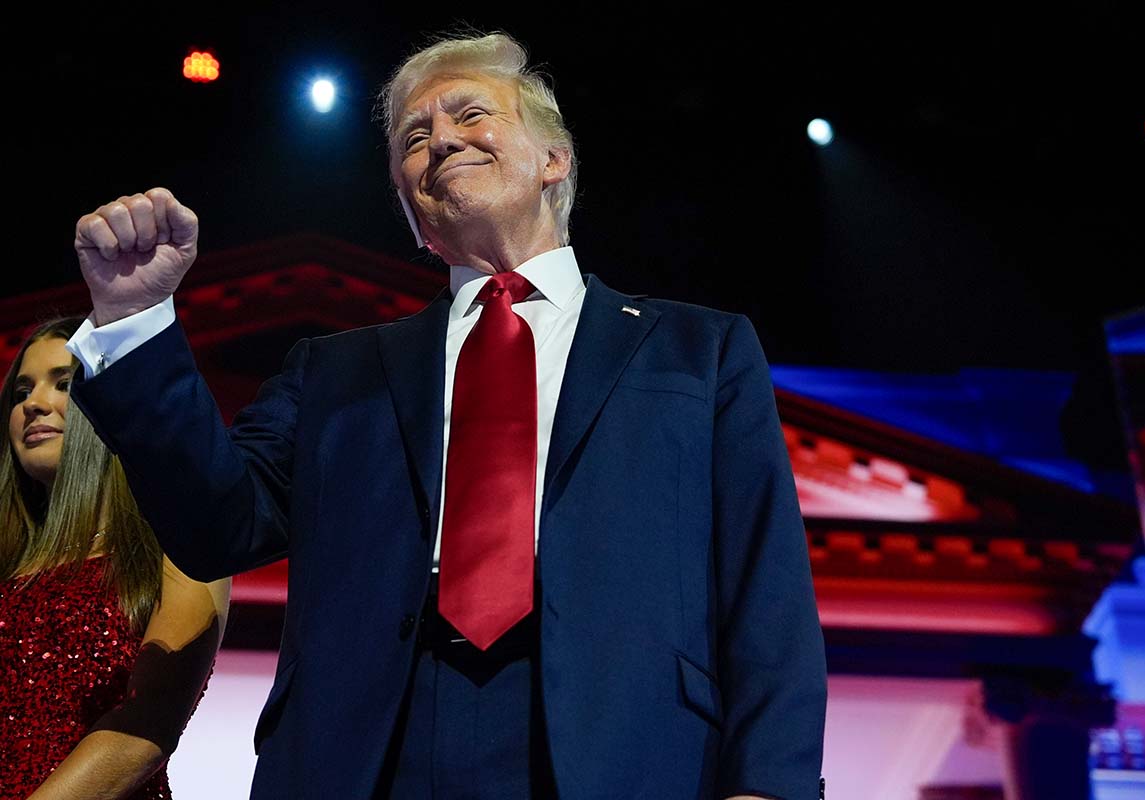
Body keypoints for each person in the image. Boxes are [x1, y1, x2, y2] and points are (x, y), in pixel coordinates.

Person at [65, 32, 826, 800]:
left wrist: (768, 785)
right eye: (414, 138)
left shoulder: (699, 351)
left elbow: (767, 591)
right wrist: (136, 321)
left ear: (553, 159)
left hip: (622, 747)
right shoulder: (335, 372)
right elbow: (215, 524)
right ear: (407, 205)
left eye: (470, 114)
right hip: (368, 750)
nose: (441, 141)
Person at [0, 317, 230, 800]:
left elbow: (145, 727)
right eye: (22, 391)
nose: (32, 404)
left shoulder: (180, 544)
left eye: (63, 383)